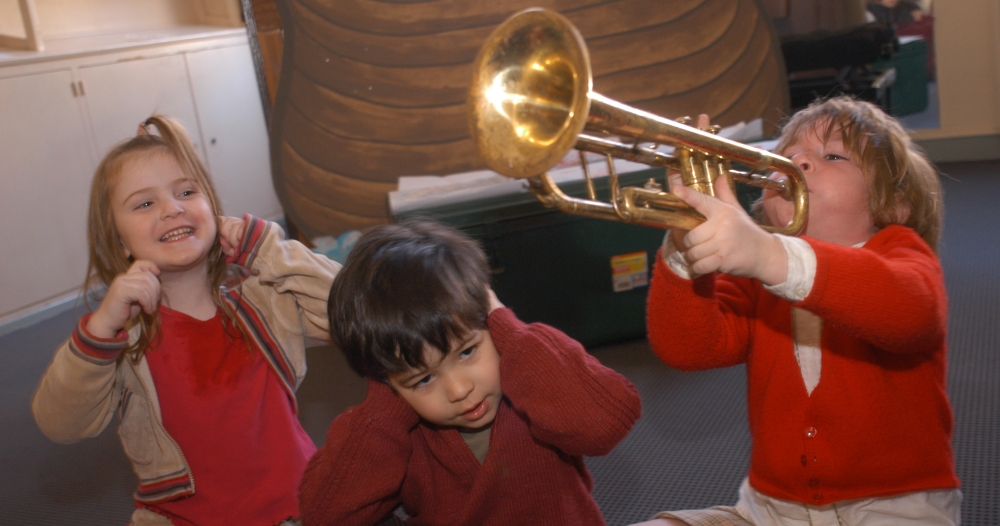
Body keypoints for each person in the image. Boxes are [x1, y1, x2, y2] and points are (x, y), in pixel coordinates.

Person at [637, 97, 960, 525]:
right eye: (785, 157)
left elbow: (912, 313)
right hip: (770, 509)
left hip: (894, 504)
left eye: (832, 156)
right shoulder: (757, 271)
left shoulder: (900, 251)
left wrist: (770, 256)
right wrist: (684, 246)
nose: (799, 164)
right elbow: (688, 348)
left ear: (895, 204)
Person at [31, 115, 341, 526]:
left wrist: (269, 250)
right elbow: (60, 422)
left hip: (302, 504)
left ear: (212, 207)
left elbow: (353, 313)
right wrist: (101, 331)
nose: (172, 208)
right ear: (119, 241)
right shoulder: (120, 339)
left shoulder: (265, 299)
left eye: (187, 192)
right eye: (144, 203)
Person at [299, 221, 642, 526]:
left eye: (467, 351)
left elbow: (607, 424)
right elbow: (325, 516)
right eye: (423, 379)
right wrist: (387, 399)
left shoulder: (536, 380)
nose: (460, 389)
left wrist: (507, 327)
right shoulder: (396, 435)